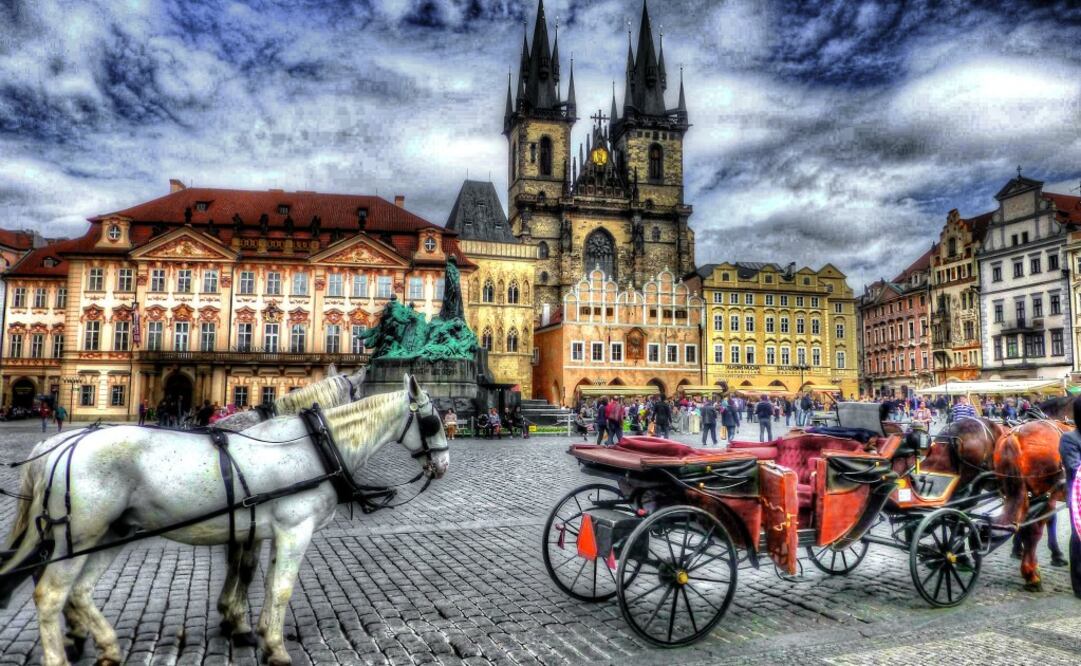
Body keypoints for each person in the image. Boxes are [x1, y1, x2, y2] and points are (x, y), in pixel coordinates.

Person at [1059, 401, 1081, 598]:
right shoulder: (1069, 439)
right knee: (1079, 540)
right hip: (1078, 496)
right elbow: (1074, 467)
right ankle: (1079, 584)